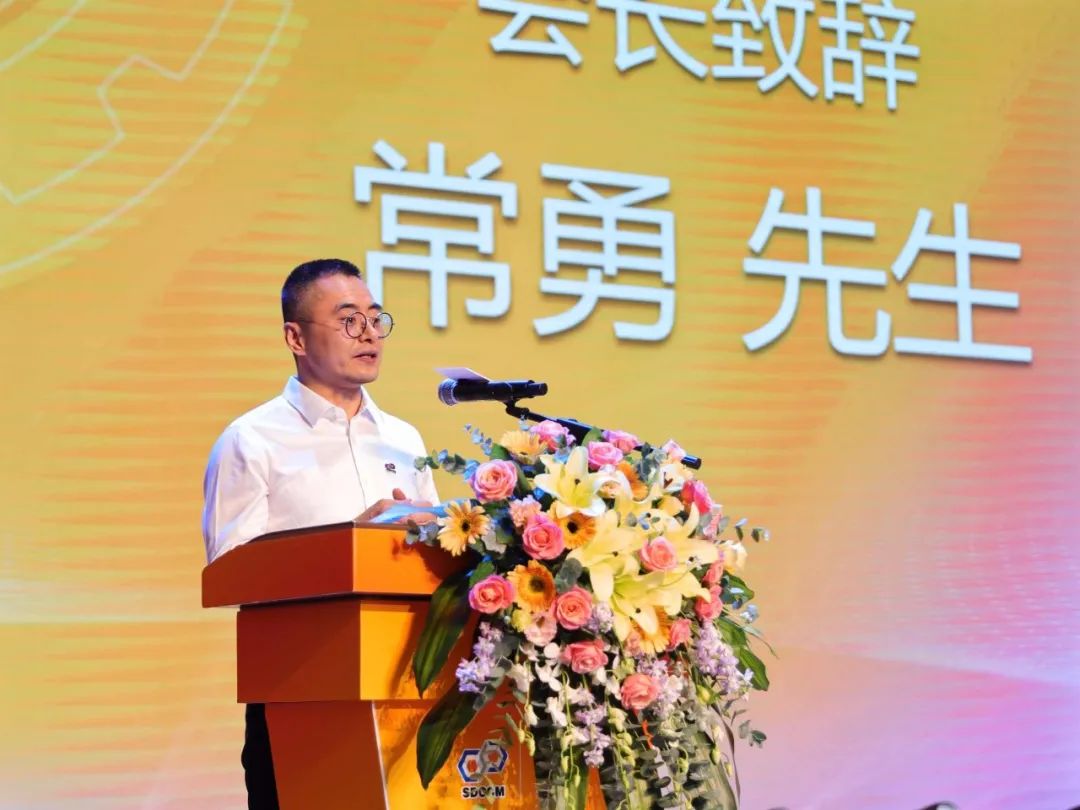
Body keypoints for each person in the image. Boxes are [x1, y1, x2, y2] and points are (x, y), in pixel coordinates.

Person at [201, 258, 438, 809]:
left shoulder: (404, 438)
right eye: (349, 320)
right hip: (299, 698)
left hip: (405, 689)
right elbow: (229, 572)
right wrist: (349, 541)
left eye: (375, 318)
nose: (369, 334)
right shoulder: (252, 439)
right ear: (296, 338)